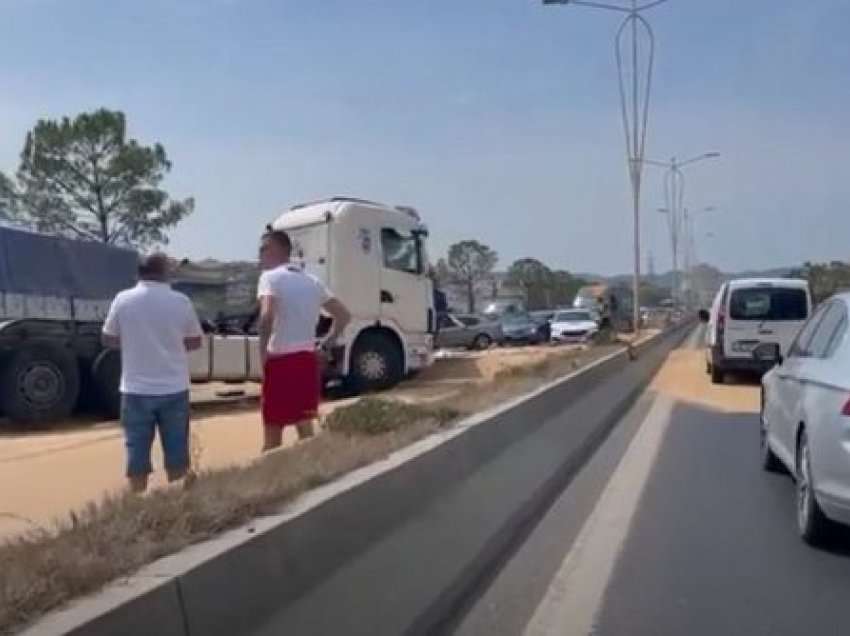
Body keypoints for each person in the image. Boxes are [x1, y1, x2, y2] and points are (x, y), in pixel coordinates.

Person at [102, 254, 204, 493]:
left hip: (135, 389)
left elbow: (108, 338)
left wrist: (133, 343)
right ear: (165, 272)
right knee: (177, 454)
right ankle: (181, 505)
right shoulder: (180, 301)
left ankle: (138, 503)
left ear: (138, 272)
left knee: (137, 454)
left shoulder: (123, 299)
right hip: (174, 388)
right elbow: (195, 341)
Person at [257, 227, 351, 451]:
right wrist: (326, 344)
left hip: (280, 360)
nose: (260, 255)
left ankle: (271, 480)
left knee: (272, 431)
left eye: (263, 249)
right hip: (307, 361)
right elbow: (344, 315)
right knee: (305, 428)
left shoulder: (269, 278)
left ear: (278, 249)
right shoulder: (312, 281)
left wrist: (262, 355)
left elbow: (266, 316)